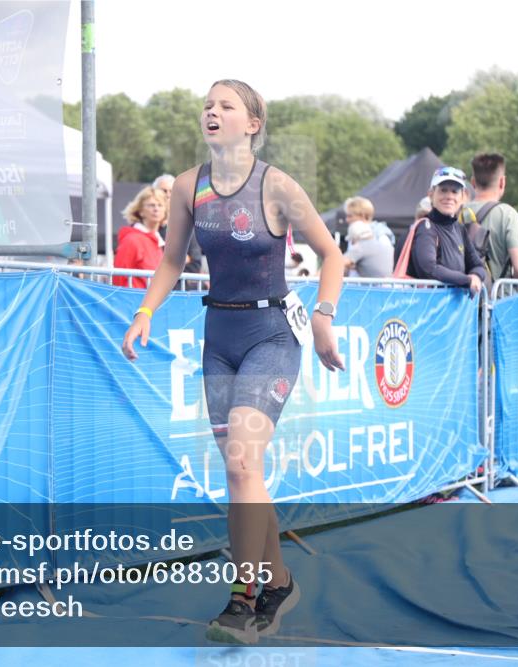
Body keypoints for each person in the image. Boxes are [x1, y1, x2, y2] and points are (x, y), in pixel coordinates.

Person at [120, 79, 344, 644]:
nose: (212, 112)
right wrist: (146, 311)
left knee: (243, 464)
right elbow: (172, 258)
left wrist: (324, 315)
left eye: (226, 106)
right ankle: (279, 583)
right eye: (207, 105)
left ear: (253, 123)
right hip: (218, 336)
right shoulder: (189, 186)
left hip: (271, 334)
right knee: (243, 474)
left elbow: (332, 254)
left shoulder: (279, 186)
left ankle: (243, 598)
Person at [408, 166, 487, 297]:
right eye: (443, 190)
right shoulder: (426, 227)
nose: (449, 196)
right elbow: (429, 269)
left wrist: (476, 276)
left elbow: (478, 265)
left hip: (455, 313)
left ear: (462, 197)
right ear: (431, 194)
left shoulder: (459, 228)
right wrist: (467, 280)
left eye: (454, 191)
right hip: (428, 309)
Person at [466, 153, 518, 280]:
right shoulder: (508, 215)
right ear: (502, 182)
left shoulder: (458, 212)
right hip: (498, 297)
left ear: (473, 182)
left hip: (462, 296)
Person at [113, 186, 167, 288]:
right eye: (151, 205)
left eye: (160, 205)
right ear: (140, 211)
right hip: (134, 301)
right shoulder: (132, 240)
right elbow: (119, 279)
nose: (156, 209)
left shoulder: (158, 242)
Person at [156, 173, 206, 279]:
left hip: (179, 289)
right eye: (163, 191)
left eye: (172, 191)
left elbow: (195, 265)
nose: (168, 195)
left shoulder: (188, 226)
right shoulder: (142, 227)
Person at [342, 196, 393, 277]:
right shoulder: (355, 235)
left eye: (350, 216)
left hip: (370, 287)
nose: (347, 220)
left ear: (363, 216)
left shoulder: (381, 235)